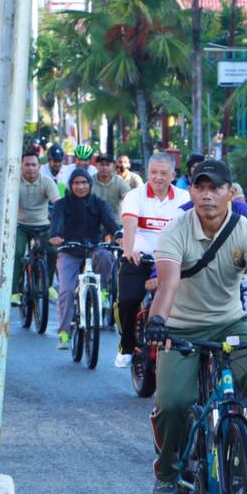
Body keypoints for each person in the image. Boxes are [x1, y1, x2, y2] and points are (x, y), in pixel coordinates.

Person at [145, 159, 247, 494]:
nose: (207, 195)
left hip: (230, 325)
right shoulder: (175, 230)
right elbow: (168, 284)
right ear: (192, 192)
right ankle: (168, 472)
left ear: (230, 192)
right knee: (173, 403)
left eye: (215, 188)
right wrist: (158, 322)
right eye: (200, 188)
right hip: (181, 327)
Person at [117, 153, 188, 368]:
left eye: (164, 173)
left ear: (173, 175)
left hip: (173, 262)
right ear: (147, 173)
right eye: (154, 172)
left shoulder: (185, 198)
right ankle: (126, 344)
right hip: (140, 259)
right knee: (128, 300)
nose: (158, 178)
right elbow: (129, 224)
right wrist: (129, 250)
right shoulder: (134, 196)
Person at [48, 170, 118, 349]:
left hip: (93, 248)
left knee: (106, 256)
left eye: (84, 182)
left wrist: (119, 235)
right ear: (71, 185)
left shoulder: (99, 203)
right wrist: (55, 236)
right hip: (69, 251)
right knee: (66, 291)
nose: (81, 186)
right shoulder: (62, 204)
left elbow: (111, 223)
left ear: (90, 184)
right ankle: (64, 332)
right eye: (76, 183)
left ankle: (101, 294)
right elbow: (57, 223)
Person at [11, 149, 60, 304]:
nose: (31, 168)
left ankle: (48, 285)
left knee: (52, 250)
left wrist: (60, 227)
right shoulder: (13, 181)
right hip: (20, 225)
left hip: (43, 226)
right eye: (27, 165)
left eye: (34, 165)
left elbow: (57, 204)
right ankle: (14, 291)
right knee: (18, 253)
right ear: (21, 165)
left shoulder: (47, 181)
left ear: (39, 166)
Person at [90, 153, 131, 222]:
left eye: (107, 165)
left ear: (113, 166)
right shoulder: (89, 182)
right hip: (93, 223)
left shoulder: (119, 182)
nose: (104, 167)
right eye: (101, 164)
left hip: (115, 223)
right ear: (96, 166)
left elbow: (129, 199)